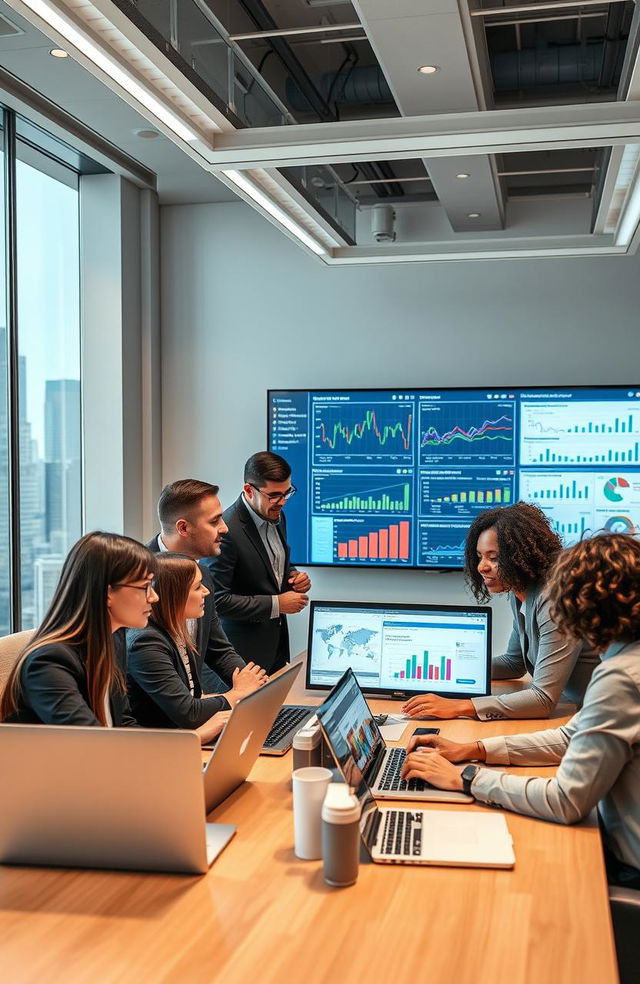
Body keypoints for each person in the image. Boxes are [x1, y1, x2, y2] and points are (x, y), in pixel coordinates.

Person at [401, 533, 640, 886]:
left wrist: (465, 778)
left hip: (626, 868)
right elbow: (570, 736)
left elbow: (566, 801)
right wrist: (474, 749)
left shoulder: (621, 677)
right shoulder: (628, 661)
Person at [402, 502, 598, 720]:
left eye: (494, 558)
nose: (481, 567)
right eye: (479, 556)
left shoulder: (555, 599)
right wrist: (444, 673)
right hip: (584, 711)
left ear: (521, 556)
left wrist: (460, 706)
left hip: (615, 720)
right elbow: (514, 664)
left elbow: (542, 699)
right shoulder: (522, 591)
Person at [147, 478, 267, 699]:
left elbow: (217, 649)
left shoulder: (204, 575)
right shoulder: (140, 579)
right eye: (214, 522)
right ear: (183, 527)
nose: (225, 528)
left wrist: (254, 685)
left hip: (197, 710)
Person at [127, 554, 264, 729]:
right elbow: (189, 713)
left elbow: (192, 697)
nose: (206, 592)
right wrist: (239, 692)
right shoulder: (146, 643)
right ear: (174, 595)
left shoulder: (175, 629)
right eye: (198, 587)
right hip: (161, 746)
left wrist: (251, 685)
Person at [210, 452, 311, 673]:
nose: (282, 502)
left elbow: (271, 565)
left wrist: (293, 577)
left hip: (274, 650)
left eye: (287, 493)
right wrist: (277, 604)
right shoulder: (226, 530)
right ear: (249, 490)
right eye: (274, 495)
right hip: (240, 659)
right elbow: (216, 601)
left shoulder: (276, 515)